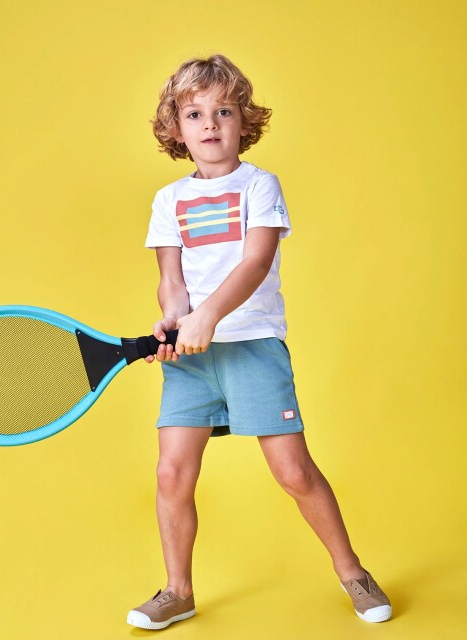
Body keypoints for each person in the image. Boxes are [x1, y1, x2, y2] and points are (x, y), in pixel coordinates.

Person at [127, 54, 392, 630]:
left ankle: (352, 572)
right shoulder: (168, 200)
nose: (209, 124)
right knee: (172, 475)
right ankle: (178, 590)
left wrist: (210, 317)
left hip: (252, 347)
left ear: (244, 121)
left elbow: (255, 260)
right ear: (175, 129)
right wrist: (174, 322)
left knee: (293, 472)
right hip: (193, 360)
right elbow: (171, 280)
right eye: (194, 113)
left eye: (223, 111)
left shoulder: (259, 185)